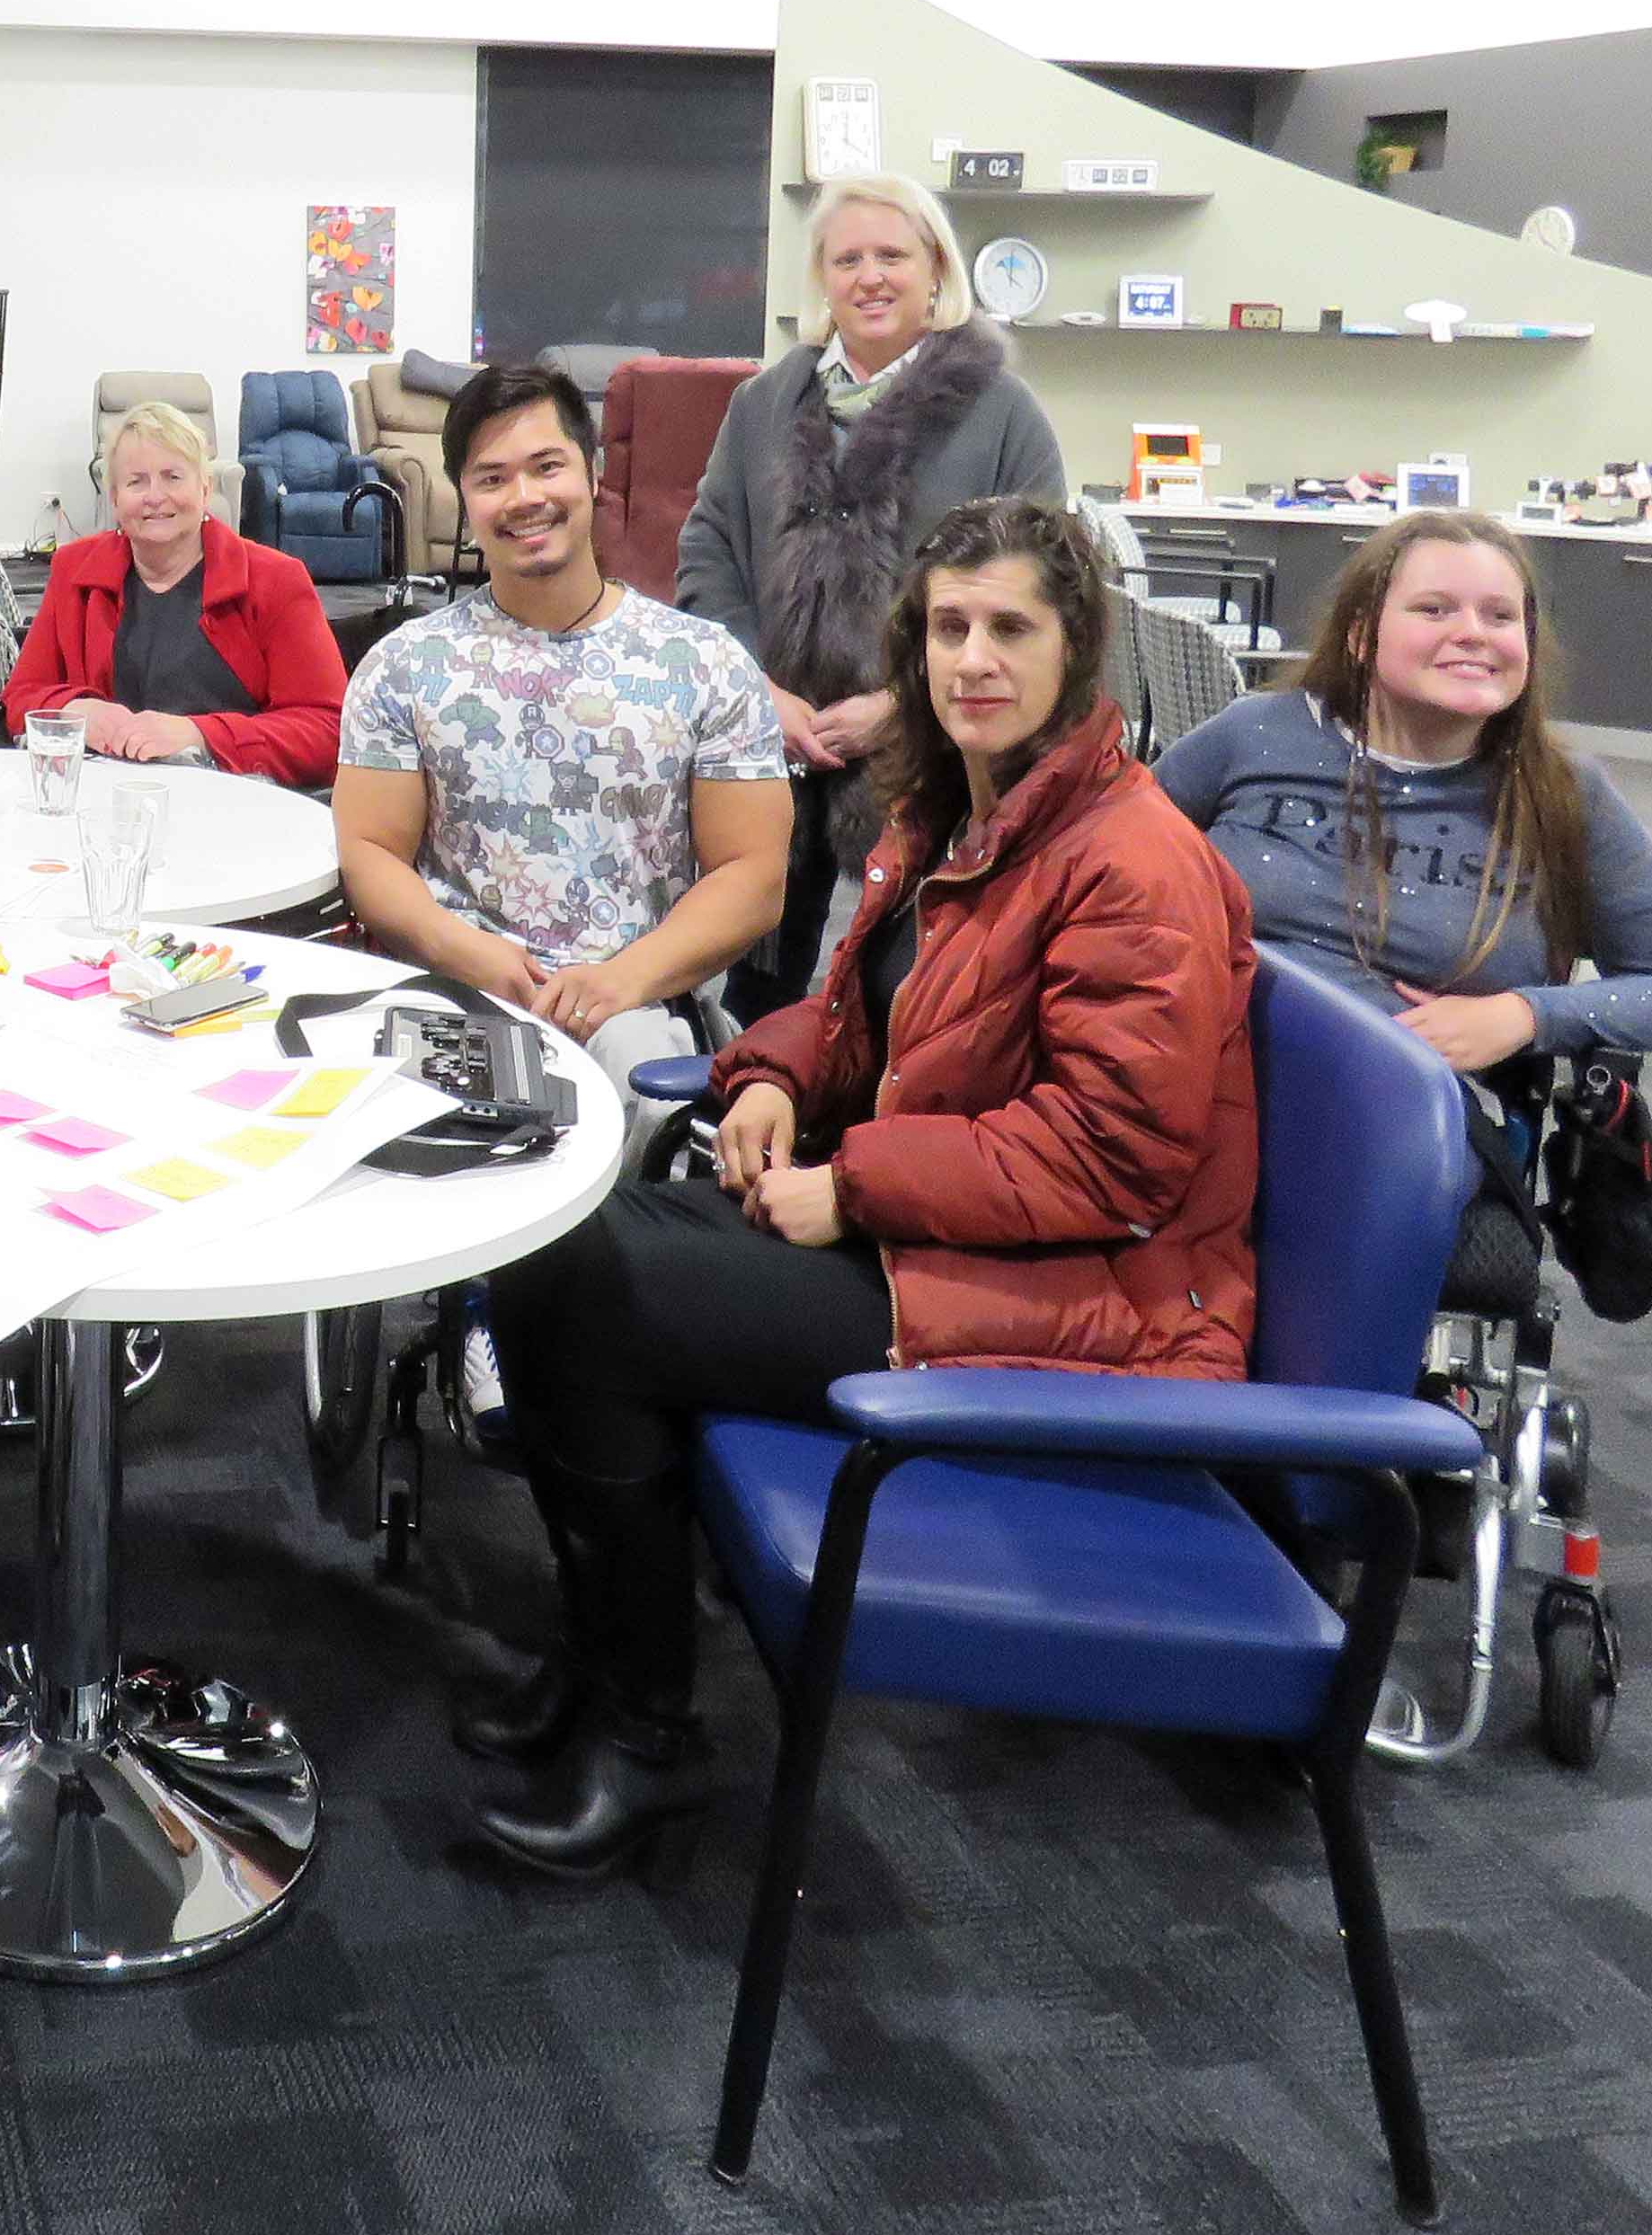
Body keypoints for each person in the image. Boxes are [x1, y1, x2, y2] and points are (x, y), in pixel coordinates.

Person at [473, 499, 1257, 1879]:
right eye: (947, 627)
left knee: (587, 1288)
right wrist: (772, 1080)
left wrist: (856, 1186)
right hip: (950, 1238)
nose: (972, 658)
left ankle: (648, 1730)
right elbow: (854, 1016)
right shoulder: (960, 807)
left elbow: (1111, 1156)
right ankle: (606, 1662)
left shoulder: (1132, 861)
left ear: (1077, 651)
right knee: (555, 1244)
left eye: (1010, 627)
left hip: (1080, 1301)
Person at [334, 361, 790, 1113]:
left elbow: (754, 876)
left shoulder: (703, 664)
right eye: (492, 478)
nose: (524, 499)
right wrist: (477, 958)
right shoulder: (405, 667)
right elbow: (370, 851)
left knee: (647, 1111)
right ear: (463, 496)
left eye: (547, 467)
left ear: (593, 472)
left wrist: (619, 980)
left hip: (635, 1000)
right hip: (459, 990)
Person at [678, 173, 1065, 1023]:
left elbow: (1044, 594)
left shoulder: (1005, 414)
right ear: (823, 278)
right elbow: (707, 550)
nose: (871, 276)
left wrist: (902, 707)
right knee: (759, 1000)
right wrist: (756, 691)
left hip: (938, 766)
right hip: (769, 756)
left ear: (937, 270)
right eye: (847, 258)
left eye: (893, 254)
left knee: (908, 1002)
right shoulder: (764, 404)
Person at [1157, 509, 1652, 1074]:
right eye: (1433, 609)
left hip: (1417, 1121)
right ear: (1360, 635)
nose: (1472, 632)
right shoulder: (1255, 734)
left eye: (1500, 615)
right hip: (1199, 1075)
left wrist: (1527, 1015)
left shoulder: (1565, 795)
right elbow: (1105, 863)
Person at [4, 401, 349, 784]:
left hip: (233, 809)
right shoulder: (73, 571)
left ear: (205, 489)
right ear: (115, 499)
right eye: (136, 481)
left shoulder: (277, 580)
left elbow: (329, 731)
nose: (155, 496)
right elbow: (20, 698)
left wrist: (198, 735)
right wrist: (78, 711)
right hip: (102, 804)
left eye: (173, 477)